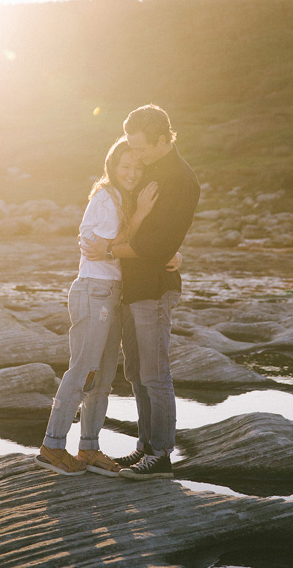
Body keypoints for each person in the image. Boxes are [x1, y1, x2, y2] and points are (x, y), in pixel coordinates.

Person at [84, 105, 200, 480]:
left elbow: (153, 247)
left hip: (155, 290)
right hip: (133, 288)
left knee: (155, 373)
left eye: (142, 147)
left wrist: (107, 251)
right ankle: (146, 446)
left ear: (165, 140)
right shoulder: (149, 167)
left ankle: (162, 455)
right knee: (136, 372)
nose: (137, 155)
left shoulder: (182, 181)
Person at [35, 137, 160, 477]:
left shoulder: (122, 197)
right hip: (95, 291)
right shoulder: (106, 197)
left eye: (137, 167)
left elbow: (129, 246)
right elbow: (110, 245)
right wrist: (141, 216)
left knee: (103, 376)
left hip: (113, 292)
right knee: (84, 369)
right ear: (112, 166)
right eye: (125, 167)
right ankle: (52, 445)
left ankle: (89, 447)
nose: (132, 173)